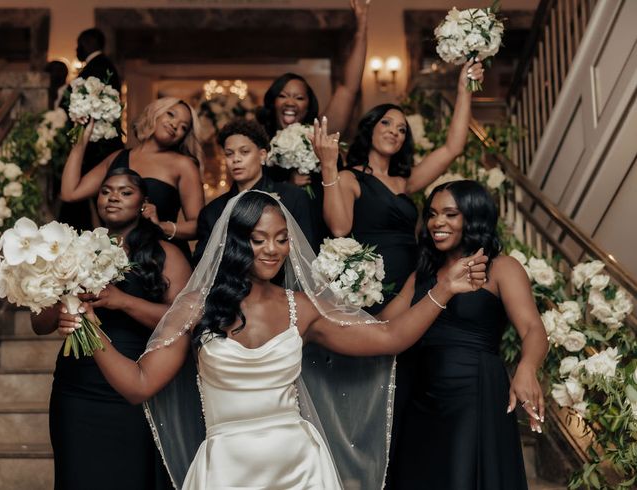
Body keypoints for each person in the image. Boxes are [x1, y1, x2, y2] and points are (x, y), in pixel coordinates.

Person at [62, 190, 489, 489]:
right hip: (226, 470)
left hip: (299, 467)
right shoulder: (196, 305)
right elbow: (139, 385)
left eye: (282, 239)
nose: (272, 250)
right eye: (259, 239)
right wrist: (87, 326)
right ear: (234, 243)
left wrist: (444, 289)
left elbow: (391, 337)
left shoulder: (302, 307)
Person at [314, 60, 484, 478]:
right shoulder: (353, 177)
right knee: (371, 388)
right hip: (370, 291)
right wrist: (329, 167)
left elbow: (451, 148)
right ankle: (363, 473)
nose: (395, 131)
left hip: (414, 285)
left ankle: (402, 472)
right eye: (387, 123)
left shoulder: (405, 183)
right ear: (370, 128)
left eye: (402, 128)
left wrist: (464, 88)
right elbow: (338, 227)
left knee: (407, 385)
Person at [32, 167, 192, 490]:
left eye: (125, 192)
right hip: (76, 389)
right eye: (106, 191)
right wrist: (66, 304)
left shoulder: (165, 255)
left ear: (143, 204)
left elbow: (182, 322)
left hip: (131, 386)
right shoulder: (73, 251)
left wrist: (123, 301)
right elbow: (39, 324)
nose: (113, 198)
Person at [388, 180, 548, 489]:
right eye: (433, 214)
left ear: (473, 218)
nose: (437, 222)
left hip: (473, 395)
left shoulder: (501, 268)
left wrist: (527, 368)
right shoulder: (422, 275)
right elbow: (382, 327)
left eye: (450, 214)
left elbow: (533, 328)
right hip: (419, 395)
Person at [258, 0, 371, 249]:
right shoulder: (258, 140)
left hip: (321, 230)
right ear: (273, 101)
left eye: (299, 97)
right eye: (283, 95)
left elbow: (348, 88)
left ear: (309, 106)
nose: (291, 102)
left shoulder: (319, 133)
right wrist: (287, 186)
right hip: (276, 239)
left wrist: (361, 26)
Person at [60, 97, 204, 258]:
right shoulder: (118, 157)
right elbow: (69, 193)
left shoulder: (184, 165)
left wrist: (161, 227)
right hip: (115, 256)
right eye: (171, 114)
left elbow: (199, 225)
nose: (175, 125)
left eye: (183, 127)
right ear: (154, 113)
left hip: (159, 258)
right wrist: (81, 139)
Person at [193, 119, 314, 264]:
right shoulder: (212, 212)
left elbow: (305, 257)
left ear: (262, 155)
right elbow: (203, 266)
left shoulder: (294, 197)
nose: (236, 159)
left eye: (244, 152)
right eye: (229, 154)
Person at [58, 28, 124, 231]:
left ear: (88, 42)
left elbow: (93, 103)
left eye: (78, 43)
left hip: (98, 149)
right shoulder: (99, 65)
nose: (76, 49)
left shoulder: (99, 66)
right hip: (93, 147)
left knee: (100, 204)